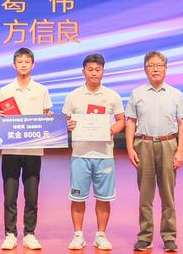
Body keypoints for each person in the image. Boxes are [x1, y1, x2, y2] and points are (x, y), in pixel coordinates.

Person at [125, 51, 183, 253]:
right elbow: (130, 122)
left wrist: (180, 150)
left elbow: (182, 123)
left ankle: (169, 236)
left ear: (165, 69)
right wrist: (130, 148)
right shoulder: (137, 93)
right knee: (145, 195)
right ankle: (145, 237)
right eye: (151, 65)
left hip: (168, 144)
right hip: (143, 145)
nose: (155, 69)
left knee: (168, 194)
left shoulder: (175, 94)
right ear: (145, 70)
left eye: (159, 65)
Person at [62, 53, 125, 251]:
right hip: (80, 155)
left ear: (103, 72)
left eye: (98, 70)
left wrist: (110, 130)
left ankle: (101, 235)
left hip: (104, 155)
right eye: (90, 69)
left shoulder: (112, 96)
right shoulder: (73, 96)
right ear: (83, 71)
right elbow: (64, 122)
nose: (94, 73)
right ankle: (78, 235)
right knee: (77, 198)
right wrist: (68, 125)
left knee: (104, 198)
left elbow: (121, 120)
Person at [0, 47, 52, 251]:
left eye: (27, 61)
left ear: (32, 65)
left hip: (33, 150)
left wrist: (48, 119)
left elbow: (46, 115)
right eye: (20, 62)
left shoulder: (41, 90)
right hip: (11, 150)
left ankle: (29, 233)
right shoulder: (5, 90)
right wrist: (0, 117)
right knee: (10, 195)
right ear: (14, 65)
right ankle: (10, 234)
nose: (23, 65)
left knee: (32, 195)